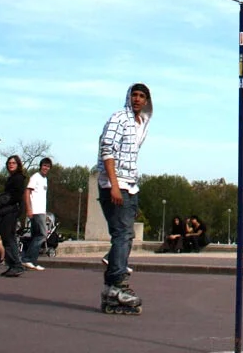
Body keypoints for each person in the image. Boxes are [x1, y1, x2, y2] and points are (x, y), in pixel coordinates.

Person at [98, 83, 152, 313]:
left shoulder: (143, 123)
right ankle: (117, 284)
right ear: (128, 97)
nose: (137, 99)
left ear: (147, 100)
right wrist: (114, 185)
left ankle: (113, 280)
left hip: (131, 184)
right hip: (115, 182)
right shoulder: (119, 117)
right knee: (121, 234)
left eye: (142, 96)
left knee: (126, 234)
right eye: (134, 95)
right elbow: (107, 148)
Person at [0, 155, 27, 277]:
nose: (11, 164)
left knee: (9, 238)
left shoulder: (18, 178)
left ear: (18, 164)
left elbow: (16, 196)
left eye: (13, 163)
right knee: (7, 238)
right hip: (9, 209)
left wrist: (2, 202)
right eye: (9, 163)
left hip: (12, 210)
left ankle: (16, 265)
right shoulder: (12, 178)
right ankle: (12, 265)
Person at [23, 157, 52, 271]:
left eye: (48, 166)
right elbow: (27, 192)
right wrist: (29, 209)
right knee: (42, 235)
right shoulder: (35, 177)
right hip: (35, 210)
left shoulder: (45, 179)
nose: (46, 168)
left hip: (41, 210)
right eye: (44, 165)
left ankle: (32, 261)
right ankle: (27, 259)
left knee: (36, 236)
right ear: (41, 166)